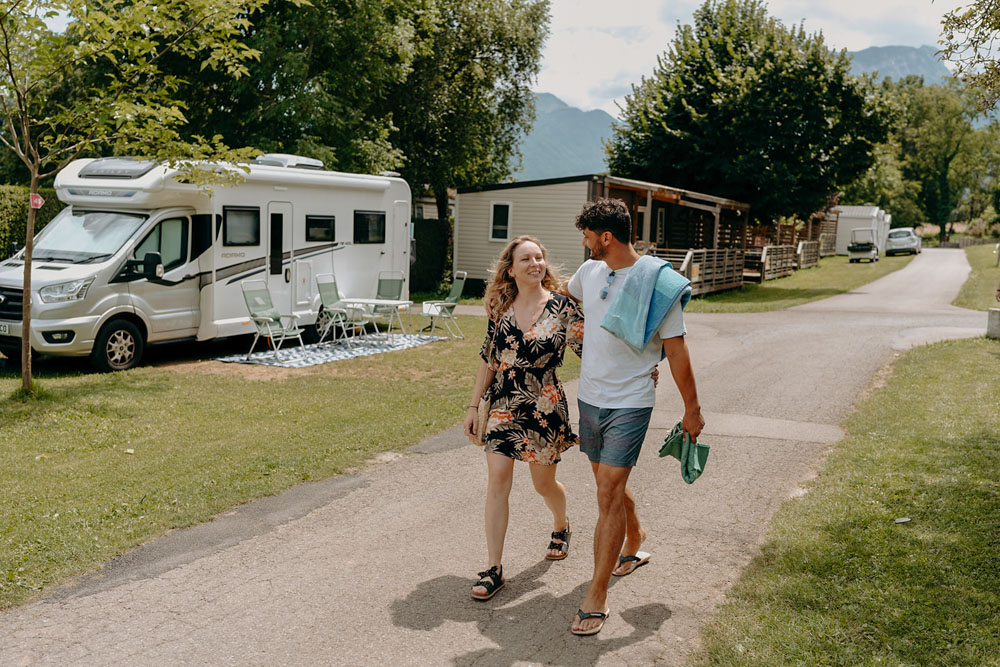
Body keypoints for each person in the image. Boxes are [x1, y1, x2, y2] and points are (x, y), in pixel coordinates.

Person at [565, 198, 705, 636]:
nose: (585, 243)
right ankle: (636, 535)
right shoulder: (589, 273)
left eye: (588, 235)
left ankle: (597, 595)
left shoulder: (659, 284)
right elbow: (564, 300)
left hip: (631, 400)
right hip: (590, 397)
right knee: (607, 485)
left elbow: (677, 351)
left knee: (607, 491)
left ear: (606, 237)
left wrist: (692, 409)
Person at [463, 236, 584, 601]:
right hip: (503, 403)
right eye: (526, 258)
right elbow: (489, 357)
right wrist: (473, 406)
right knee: (498, 481)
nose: (535, 263)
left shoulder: (564, 308)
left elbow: (591, 352)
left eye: (539, 257)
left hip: (544, 405)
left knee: (543, 485)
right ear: (511, 269)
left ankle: (561, 525)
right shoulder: (501, 307)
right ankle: (493, 568)